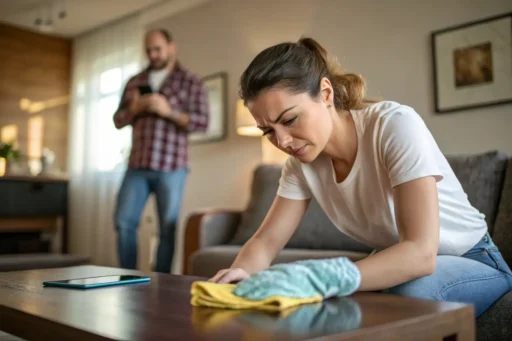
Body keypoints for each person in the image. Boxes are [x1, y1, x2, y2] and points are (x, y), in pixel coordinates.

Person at [209, 37, 512, 317]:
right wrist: (239, 278)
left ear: (325, 94)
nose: (283, 141)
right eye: (268, 131)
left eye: (289, 119)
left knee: (408, 292)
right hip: (398, 261)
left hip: (474, 260)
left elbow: (421, 253)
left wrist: (323, 276)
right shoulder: (300, 166)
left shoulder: (393, 126)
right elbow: (265, 242)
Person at [113, 28, 209, 273]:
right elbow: (118, 120)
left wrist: (169, 112)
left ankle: (162, 280)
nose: (153, 54)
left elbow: (202, 122)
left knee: (167, 227)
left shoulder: (191, 81)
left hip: (172, 167)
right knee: (124, 222)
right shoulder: (135, 82)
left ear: (171, 47)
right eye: (148, 50)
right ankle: (127, 277)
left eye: (157, 49)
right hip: (137, 165)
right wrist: (135, 109)